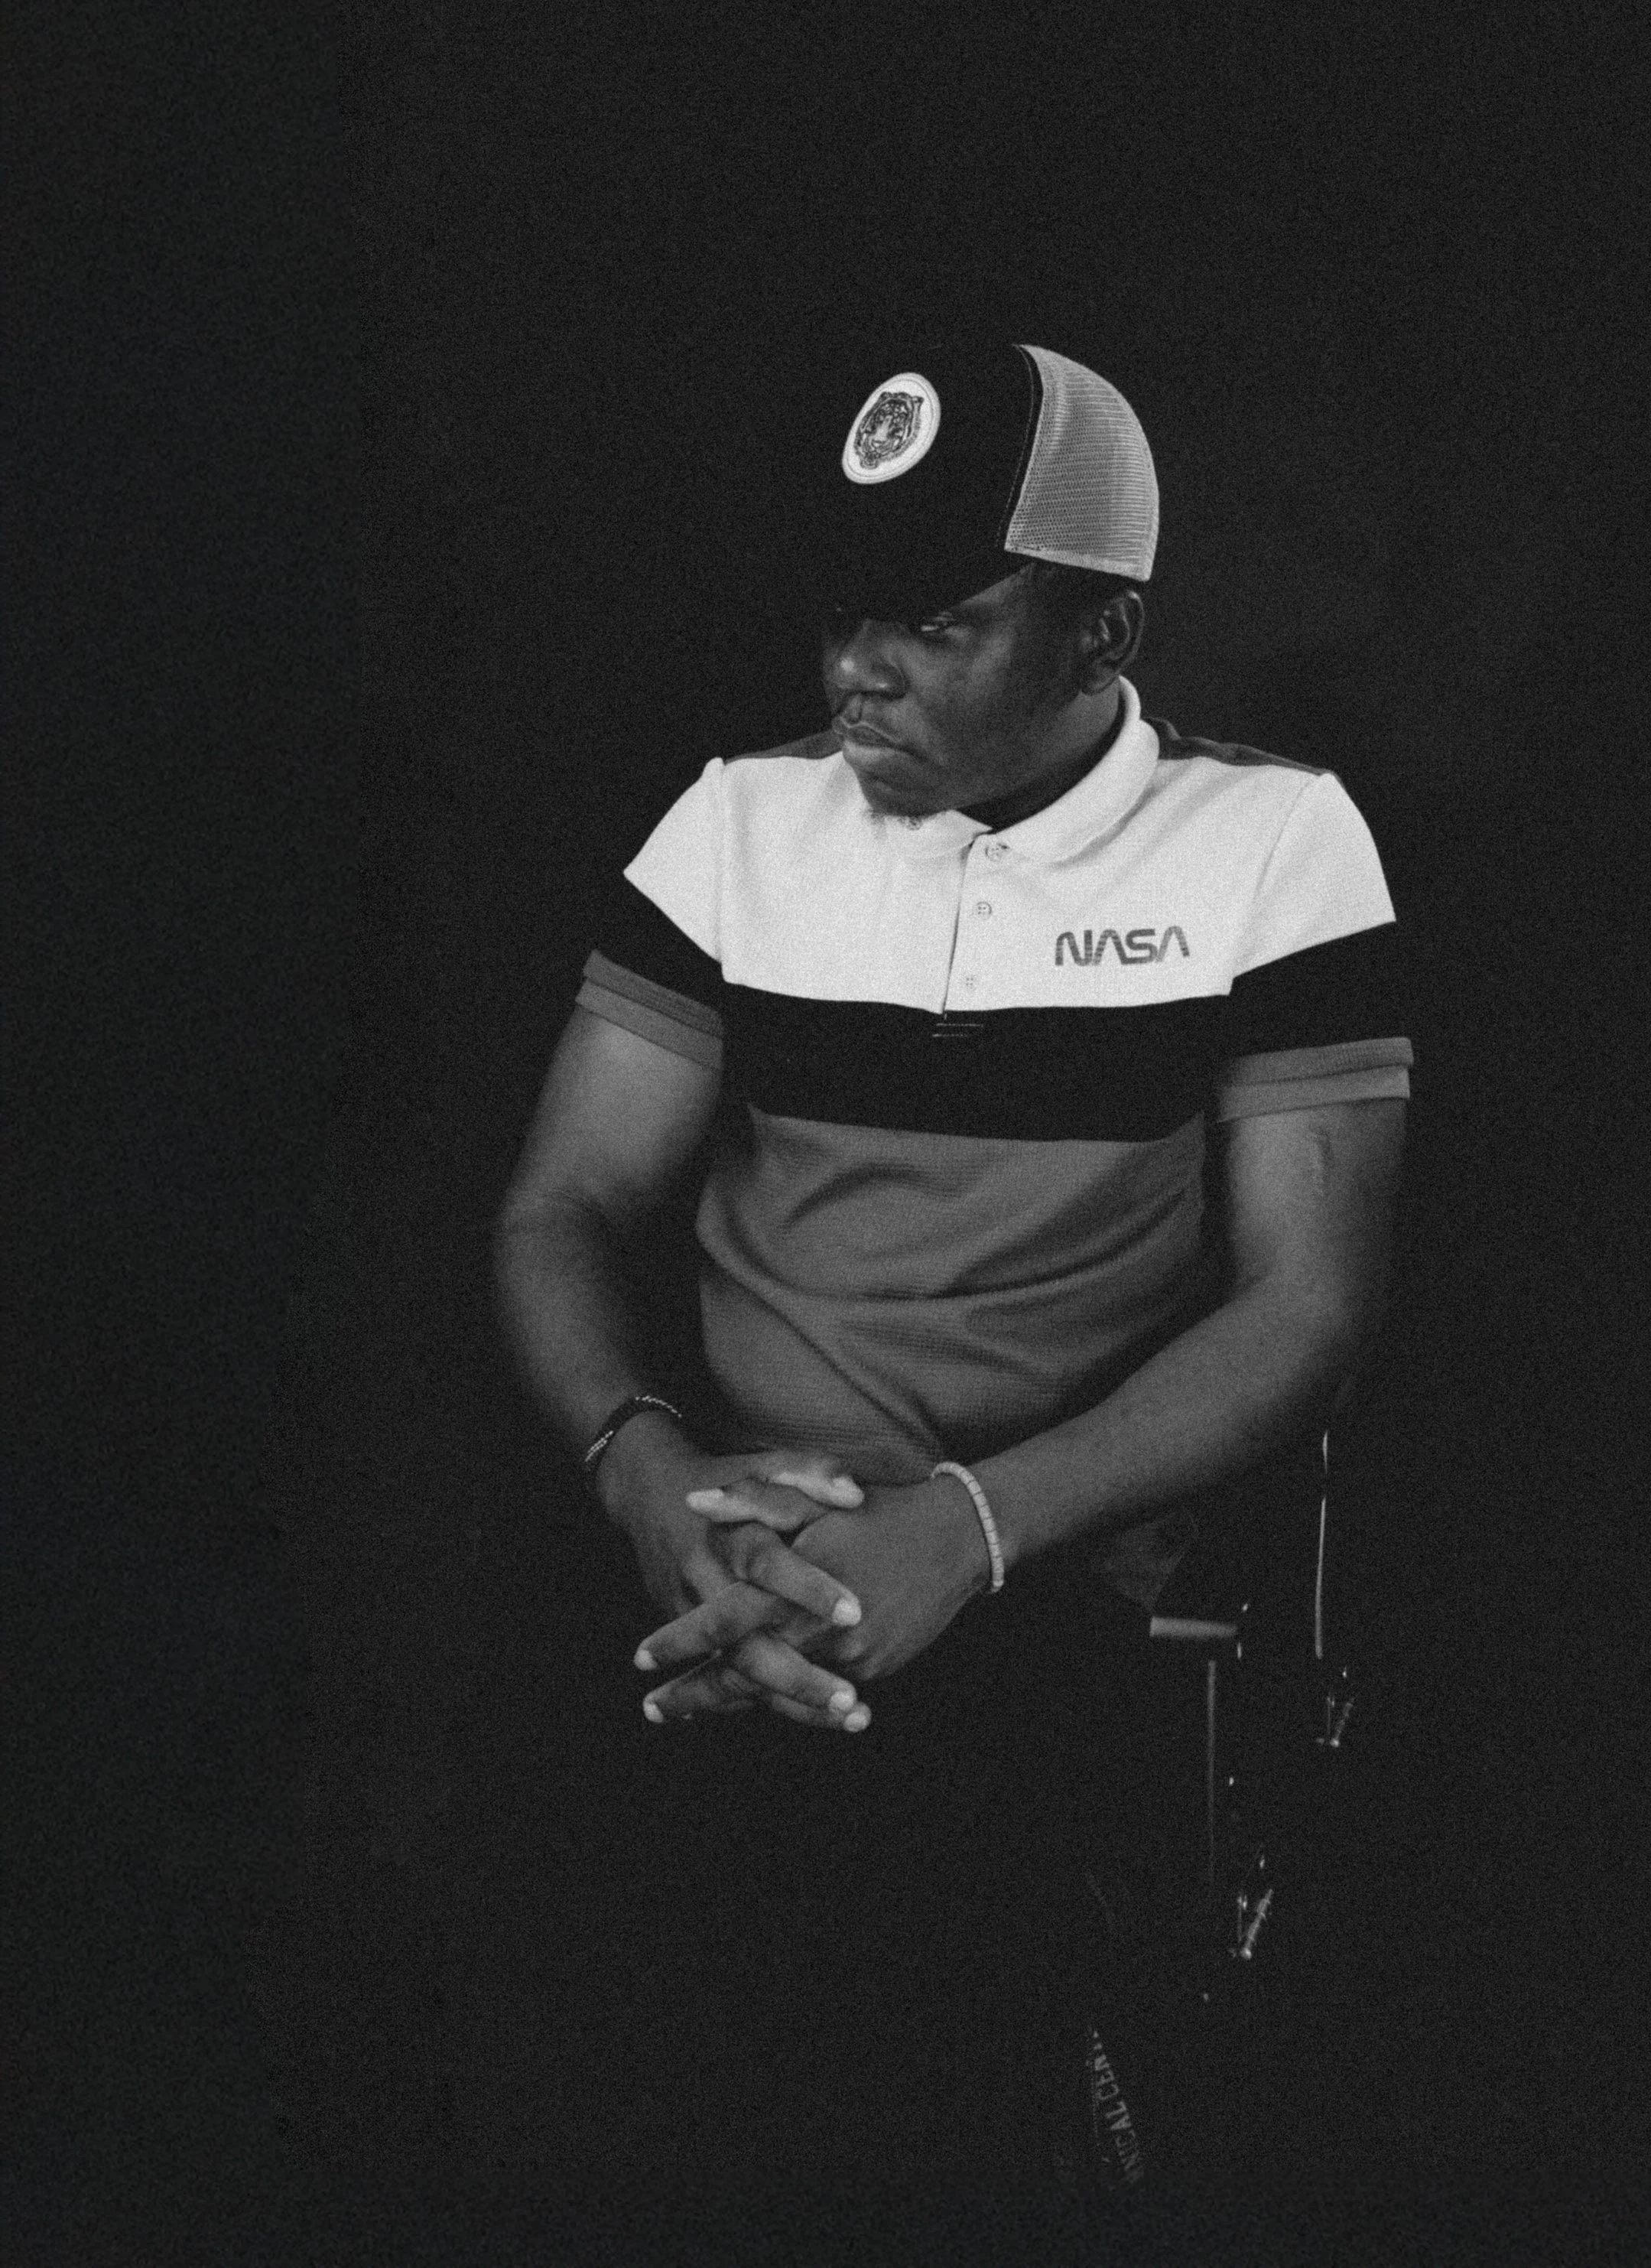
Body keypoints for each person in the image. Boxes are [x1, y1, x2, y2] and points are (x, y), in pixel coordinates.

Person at [492, 340, 1411, 2198]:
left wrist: (960, 1535)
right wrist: (653, 1476)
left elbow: (1305, 1311)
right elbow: (562, 1208)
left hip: (1060, 1575)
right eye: (844, 614)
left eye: (931, 618)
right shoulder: (739, 823)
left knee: (907, 1959)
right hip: (720, 1537)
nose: (859, 669)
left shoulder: (1269, 844)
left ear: (1105, 631)